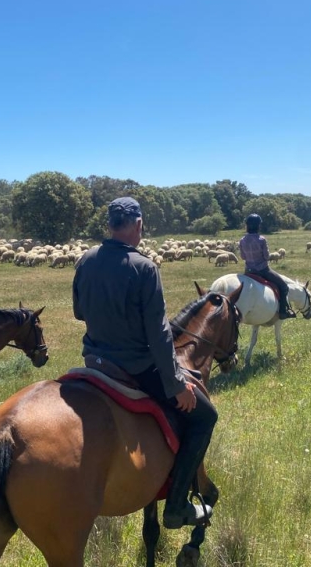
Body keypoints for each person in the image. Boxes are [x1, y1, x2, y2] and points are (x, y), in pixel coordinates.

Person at [72, 197, 218, 529]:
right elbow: (159, 335)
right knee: (204, 417)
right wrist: (176, 384)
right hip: (135, 368)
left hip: (94, 362)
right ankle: (177, 506)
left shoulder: (85, 261)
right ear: (138, 225)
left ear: (109, 225)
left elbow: (79, 312)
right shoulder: (144, 267)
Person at [239, 213, 296, 319]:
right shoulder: (262, 239)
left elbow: (242, 257)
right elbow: (266, 256)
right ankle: (283, 312)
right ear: (258, 226)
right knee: (284, 287)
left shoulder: (242, 240)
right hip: (263, 270)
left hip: (248, 271)